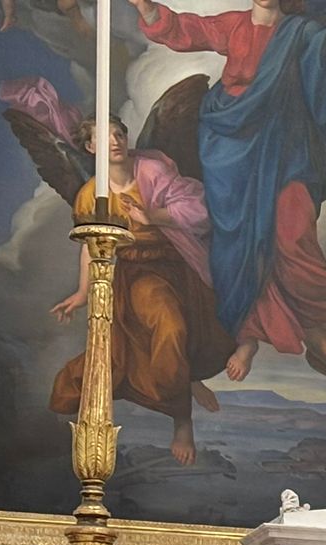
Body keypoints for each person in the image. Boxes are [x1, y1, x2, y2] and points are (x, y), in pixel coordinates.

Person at [128, 0, 326, 380]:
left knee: (292, 229)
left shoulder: (302, 33)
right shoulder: (233, 25)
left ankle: (318, 316)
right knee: (236, 238)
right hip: (230, 148)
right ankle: (252, 329)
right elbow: (186, 30)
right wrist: (148, 9)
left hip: (285, 147)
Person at [50, 117, 233, 465]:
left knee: (204, 333)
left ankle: (187, 379)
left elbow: (199, 209)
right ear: (90, 148)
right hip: (139, 274)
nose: (116, 141)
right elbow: (90, 246)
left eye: (120, 133)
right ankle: (182, 418)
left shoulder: (152, 169)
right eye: (104, 138)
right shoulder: (91, 196)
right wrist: (82, 292)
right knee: (169, 327)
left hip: (182, 264)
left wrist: (154, 215)